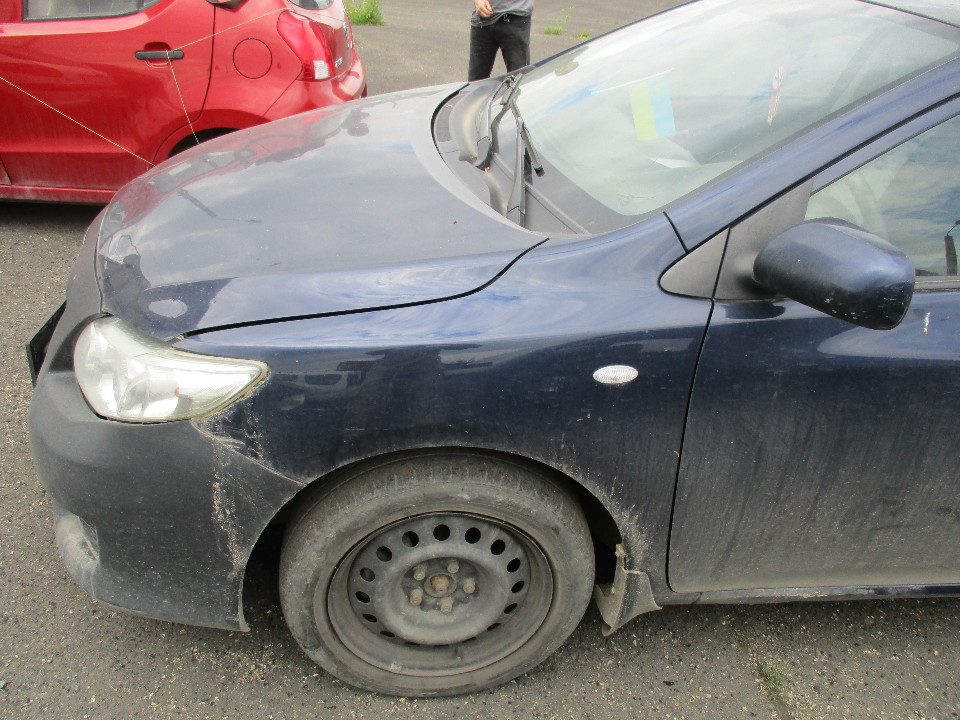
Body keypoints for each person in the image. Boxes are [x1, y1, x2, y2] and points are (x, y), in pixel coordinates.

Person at [468, 0, 534, 82]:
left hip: (516, 15)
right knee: (475, 83)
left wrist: (527, 6)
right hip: (482, 19)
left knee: (518, 80)